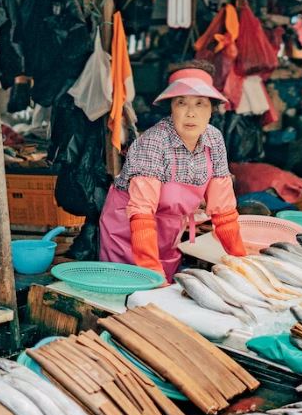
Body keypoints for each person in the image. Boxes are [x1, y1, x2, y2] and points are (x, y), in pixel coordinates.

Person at [99, 62, 246, 280]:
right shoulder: (154, 141)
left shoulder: (214, 139)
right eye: (181, 103)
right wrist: (150, 269)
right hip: (129, 229)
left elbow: (223, 210)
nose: (191, 113)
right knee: (131, 289)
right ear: (171, 108)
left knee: (165, 288)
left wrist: (241, 260)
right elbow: (141, 212)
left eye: (200, 104)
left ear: (211, 110)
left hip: (169, 229)